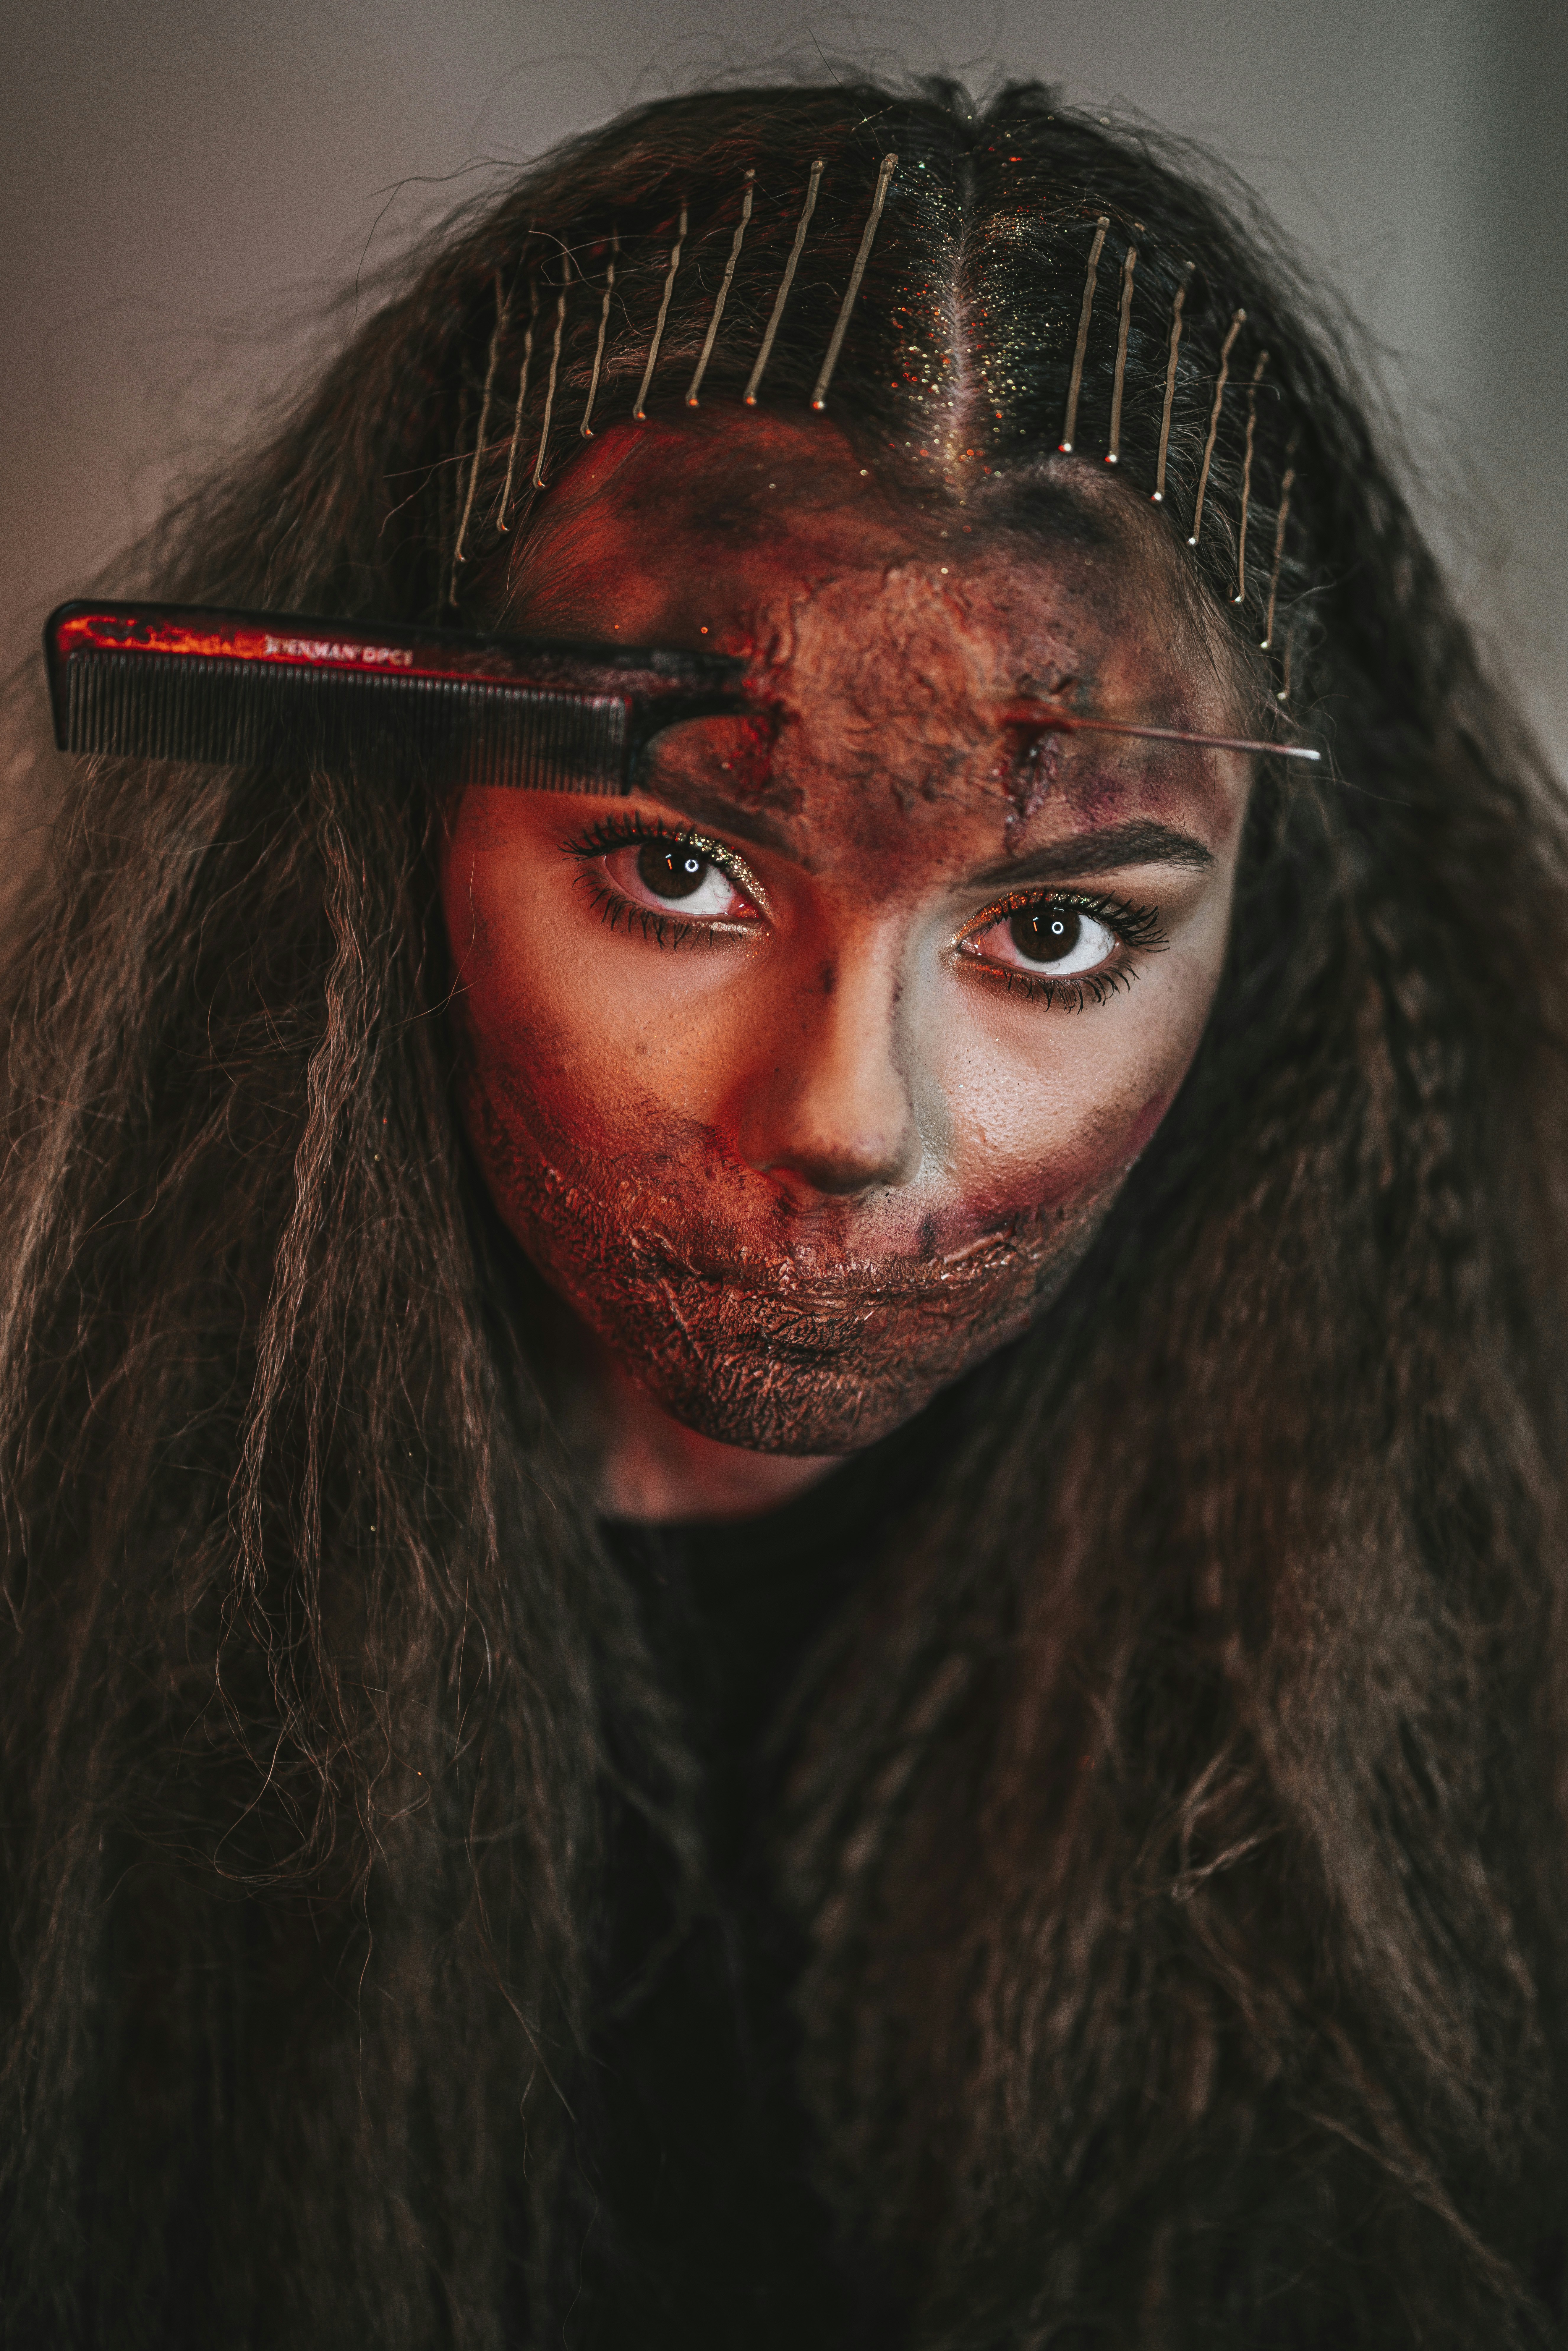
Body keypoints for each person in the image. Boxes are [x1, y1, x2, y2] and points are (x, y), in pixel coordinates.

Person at [3, 72, 1565, 2351]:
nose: (849, 1116)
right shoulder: (72, 1658)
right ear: (396, 839)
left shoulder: (1501, 1676)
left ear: (1271, 939)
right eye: (677, 869)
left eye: (1049, 934)